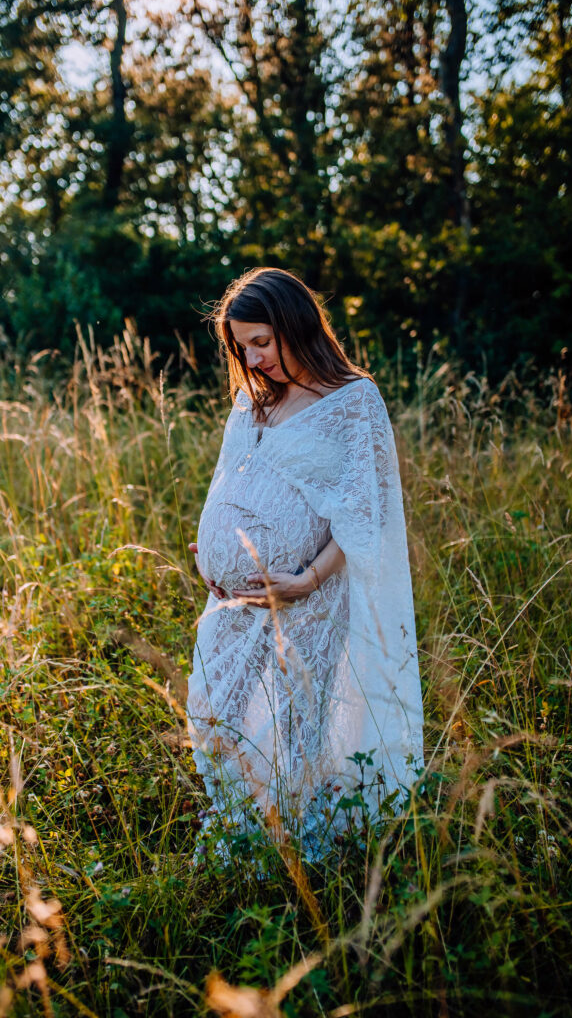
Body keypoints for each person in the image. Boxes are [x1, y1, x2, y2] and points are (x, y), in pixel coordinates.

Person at [186, 267, 423, 862]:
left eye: (262, 341)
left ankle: (285, 857)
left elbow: (368, 515)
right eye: (242, 347)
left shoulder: (352, 401)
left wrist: (309, 577)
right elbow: (233, 481)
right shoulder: (254, 399)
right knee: (218, 717)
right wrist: (211, 547)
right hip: (231, 599)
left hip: (307, 597)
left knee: (291, 730)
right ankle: (239, 829)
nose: (253, 357)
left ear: (296, 324)